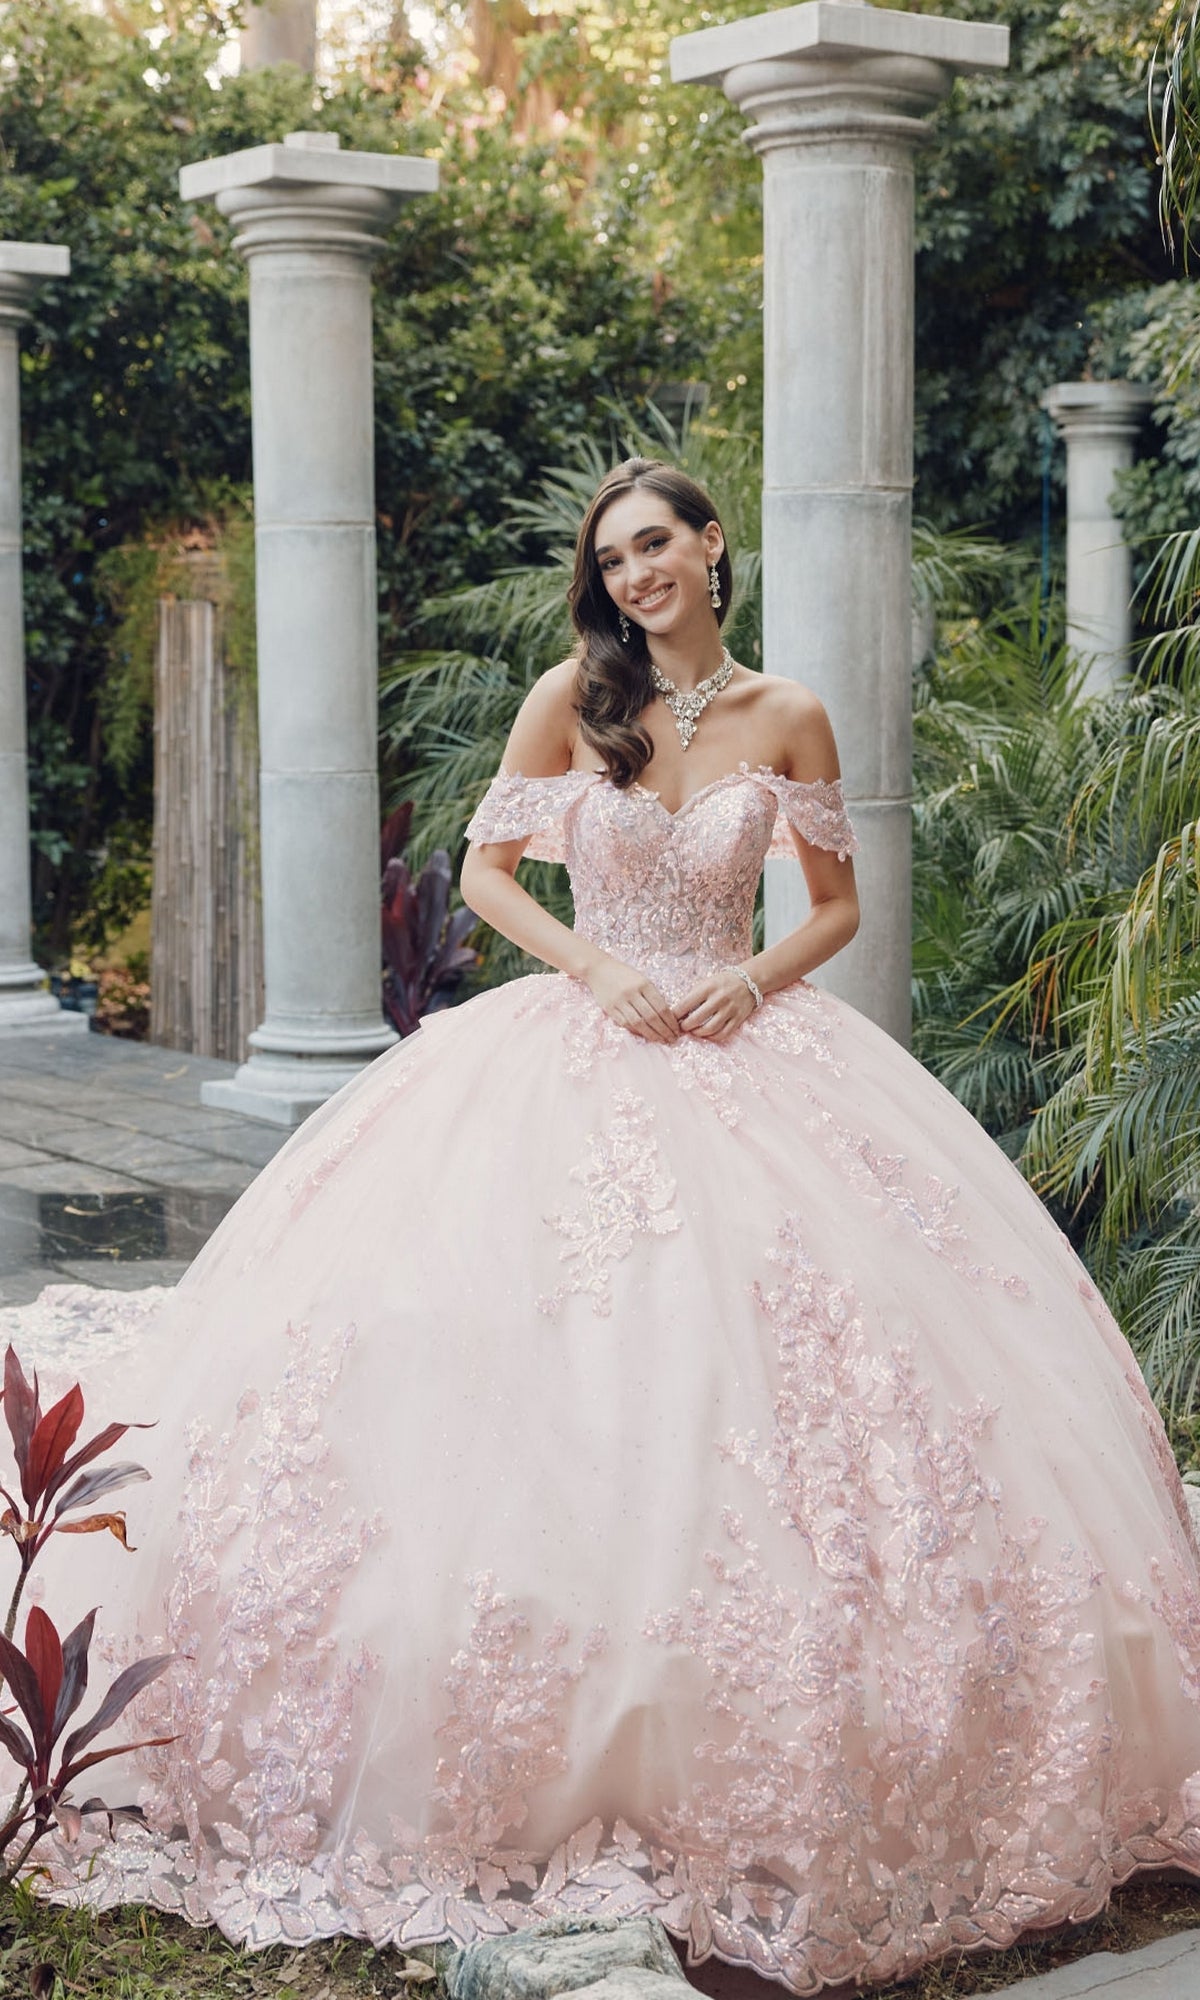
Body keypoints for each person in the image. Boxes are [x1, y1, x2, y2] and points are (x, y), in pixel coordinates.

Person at [16, 457, 1200, 1993]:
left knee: (790, 1375)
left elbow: (832, 906)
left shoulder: (790, 716)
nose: (637, 573)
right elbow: (489, 877)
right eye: (614, 556)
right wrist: (599, 970)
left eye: (657, 544)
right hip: (577, 1037)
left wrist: (749, 980)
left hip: (746, 1052)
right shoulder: (572, 696)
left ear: (713, 546)